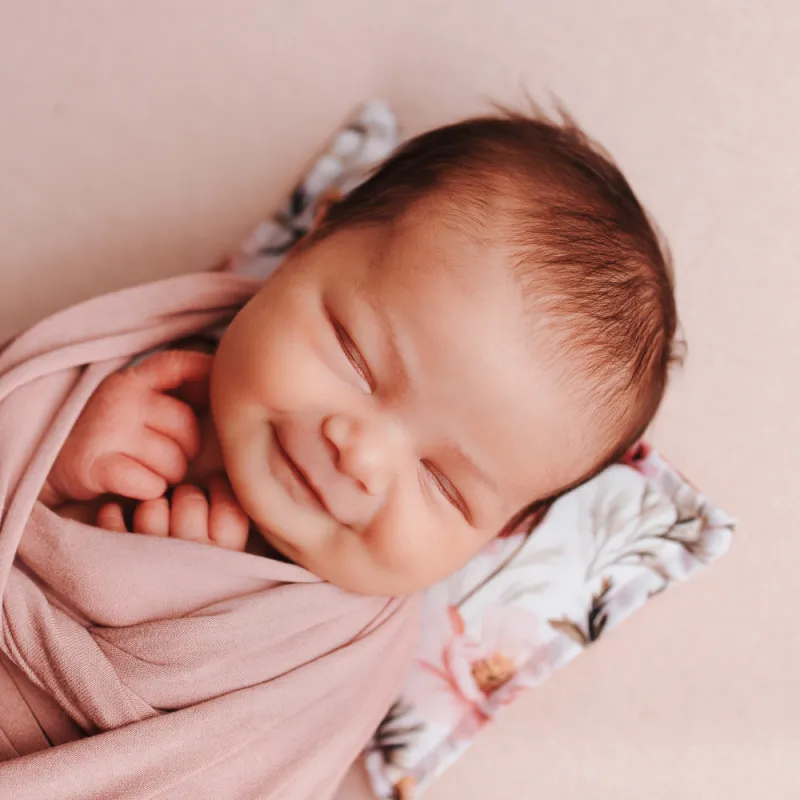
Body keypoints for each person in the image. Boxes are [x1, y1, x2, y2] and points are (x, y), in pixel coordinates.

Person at [40, 108, 680, 597]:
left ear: (501, 536)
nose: (363, 456)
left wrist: (176, 621)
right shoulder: (121, 370)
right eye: (356, 357)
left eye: (443, 484)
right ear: (305, 248)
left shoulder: (345, 655)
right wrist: (52, 462)